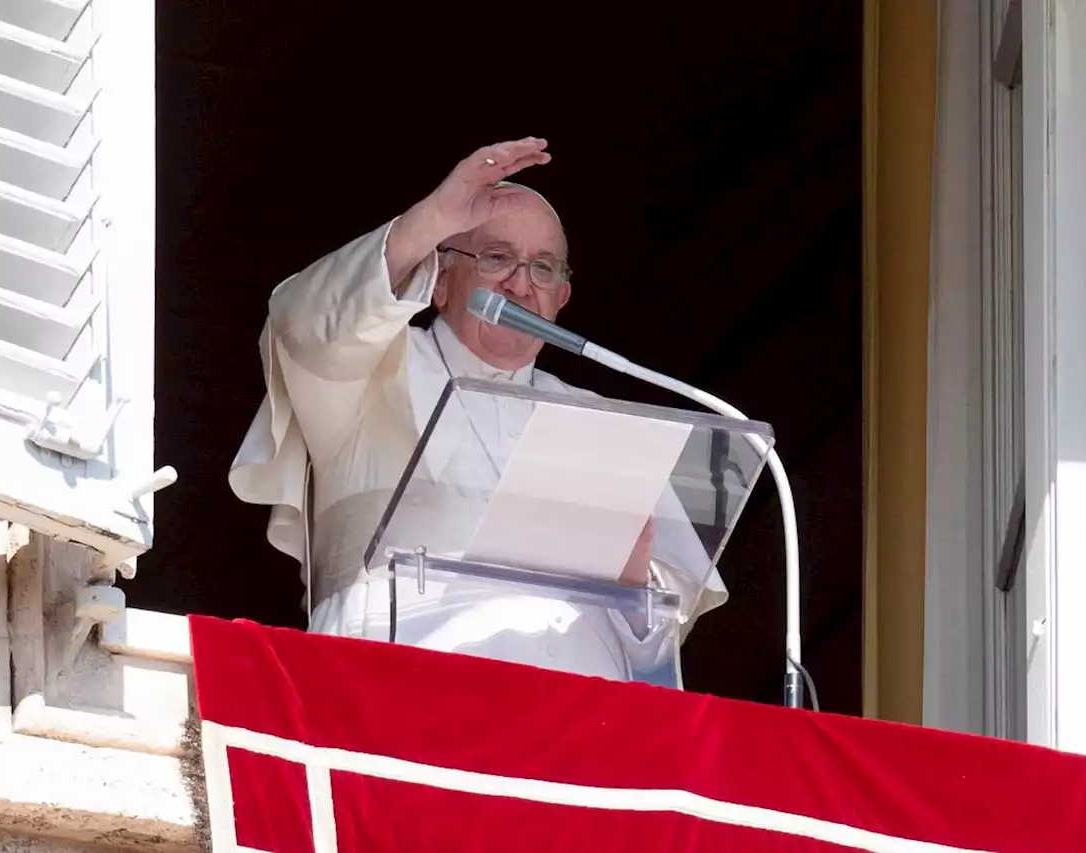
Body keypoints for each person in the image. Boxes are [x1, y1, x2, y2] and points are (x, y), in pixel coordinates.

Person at [230, 138, 727, 682]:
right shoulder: (372, 368)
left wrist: (633, 583)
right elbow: (303, 322)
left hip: (573, 699)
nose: (519, 283)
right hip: (396, 673)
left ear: (561, 298)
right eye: (496, 258)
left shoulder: (602, 424)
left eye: (543, 268)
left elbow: (661, 628)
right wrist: (435, 217)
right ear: (441, 280)